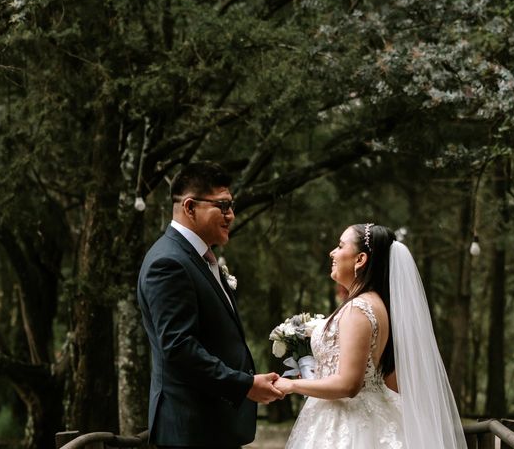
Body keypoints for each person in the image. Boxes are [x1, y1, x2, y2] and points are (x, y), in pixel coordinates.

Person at [274, 223, 467, 449]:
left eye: (340, 246)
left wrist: (292, 386)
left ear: (360, 259)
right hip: (368, 412)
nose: (332, 253)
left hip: (348, 422)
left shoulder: (358, 309)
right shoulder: (376, 304)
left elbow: (349, 385)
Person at [137, 161, 283, 449]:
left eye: (231, 206)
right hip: (190, 429)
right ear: (190, 207)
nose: (231, 215)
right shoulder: (169, 263)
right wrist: (245, 385)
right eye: (223, 206)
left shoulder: (199, 258)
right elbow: (179, 349)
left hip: (212, 426)